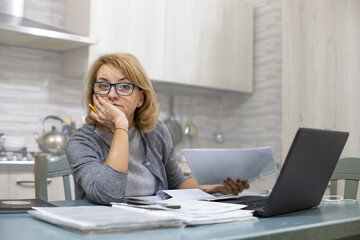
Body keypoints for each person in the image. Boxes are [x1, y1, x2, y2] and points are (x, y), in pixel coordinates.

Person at [66, 53, 250, 205]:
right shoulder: (81, 142)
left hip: (155, 224)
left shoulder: (156, 132)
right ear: (94, 96)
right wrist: (121, 124)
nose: (112, 94)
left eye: (124, 86)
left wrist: (211, 188)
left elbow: (176, 182)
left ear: (141, 99)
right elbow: (108, 194)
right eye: (103, 86)